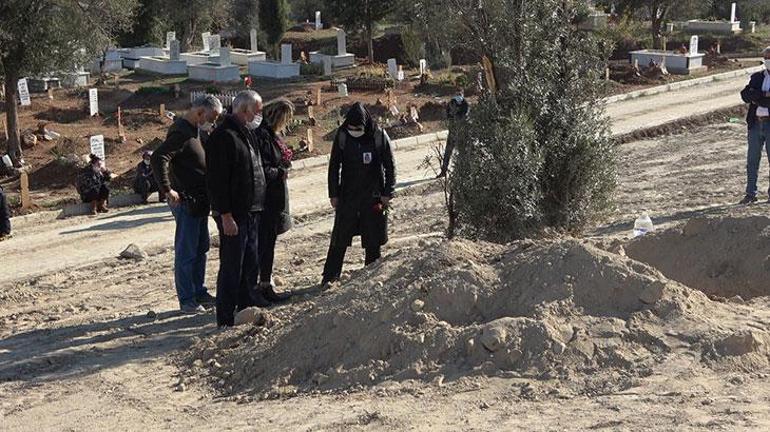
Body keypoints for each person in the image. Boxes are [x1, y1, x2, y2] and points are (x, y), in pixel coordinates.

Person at [152, 95, 222, 314]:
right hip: (186, 201)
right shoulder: (181, 132)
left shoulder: (196, 132)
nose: (213, 122)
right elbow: (159, 157)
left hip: (200, 200)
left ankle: (199, 291)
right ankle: (188, 300)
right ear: (200, 112)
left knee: (201, 248)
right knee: (187, 251)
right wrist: (167, 189)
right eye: (212, 117)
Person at [206, 90, 268, 327]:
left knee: (249, 264)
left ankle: (245, 309)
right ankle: (225, 318)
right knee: (232, 266)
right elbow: (217, 181)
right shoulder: (223, 137)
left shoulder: (247, 133)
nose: (260, 115)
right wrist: (226, 215)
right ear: (244, 110)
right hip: (234, 215)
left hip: (251, 211)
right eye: (257, 110)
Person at [321, 102, 396, 286]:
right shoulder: (343, 135)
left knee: (373, 237)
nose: (355, 131)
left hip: (373, 195)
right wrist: (334, 193)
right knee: (340, 237)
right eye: (352, 127)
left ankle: (371, 275)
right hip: (348, 195)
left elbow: (390, 166)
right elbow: (334, 166)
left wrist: (388, 192)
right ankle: (330, 276)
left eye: (358, 128)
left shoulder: (378, 135)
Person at [252, 98, 294, 302]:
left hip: (275, 197)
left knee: (269, 243)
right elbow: (263, 168)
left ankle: (265, 283)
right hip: (266, 198)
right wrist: (280, 172)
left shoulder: (271, 136)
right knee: (264, 244)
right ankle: (259, 286)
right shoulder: (262, 137)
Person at [739, 47, 770, 205]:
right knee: (752, 160)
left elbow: (761, 99)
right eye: (766, 57)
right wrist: (760, 96)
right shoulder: (757, 77)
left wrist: (758, 96)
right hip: (756, 124)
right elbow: (745, 94)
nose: (768, 60)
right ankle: (751, 193)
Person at [437, 92, 470, 178]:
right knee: (461, 153)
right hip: (460, 132)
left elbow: (448, 116)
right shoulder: (464, 104)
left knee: (449, 153)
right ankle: (462, 172)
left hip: (454, 132)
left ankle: (445, 171)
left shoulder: (453, 104)